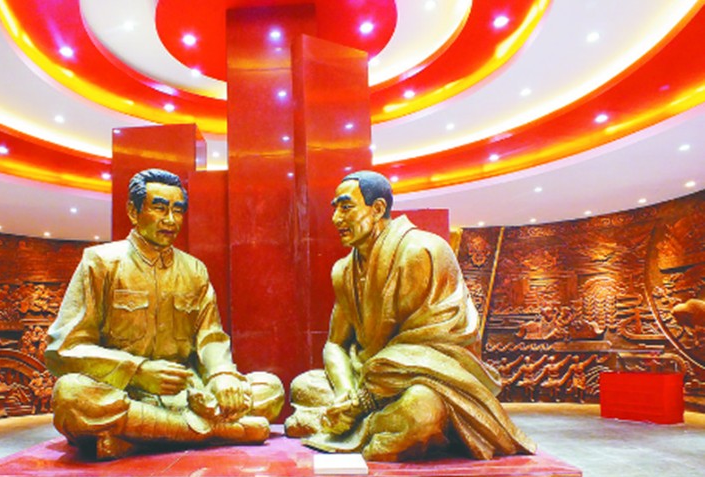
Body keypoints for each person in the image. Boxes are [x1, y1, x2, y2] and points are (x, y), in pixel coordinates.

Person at [286, 171, 535, 461]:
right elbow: (335, 344)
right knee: (303, 387)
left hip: (425, 380)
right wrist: (345, 392)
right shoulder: (344, 270)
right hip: (365, 380)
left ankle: (358, 424)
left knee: (421, 412)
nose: (336, 219)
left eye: (346, 208)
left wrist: (364, 401)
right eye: (335, 209)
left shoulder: (423, 251)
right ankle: (359, 420)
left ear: (378, 208)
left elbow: (437, 346)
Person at [46, 168, 283, 460]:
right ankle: (216, 431)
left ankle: (137, 441)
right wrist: (138, 371)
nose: (170, 220)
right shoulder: (101, 262)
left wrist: (222, 376)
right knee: (71, 396)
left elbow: (210, 337)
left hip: (187, 396)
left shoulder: (194, 270)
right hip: (125, 395)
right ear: (133, 212)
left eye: (177, 210)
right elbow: (64, 349)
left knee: (270, 390)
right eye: (159, 208)